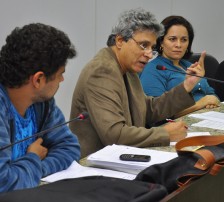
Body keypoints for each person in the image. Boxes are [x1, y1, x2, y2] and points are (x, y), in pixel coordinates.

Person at [70, 8, 205, 158]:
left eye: (152, 48)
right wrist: (165, 134)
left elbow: (148, 109)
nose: (148, 54)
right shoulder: (102, 71)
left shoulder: (128, 69)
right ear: (120, 41)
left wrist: (186, 86)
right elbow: (114, 135)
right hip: (94, 164)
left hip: (122, 157)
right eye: (143, 45)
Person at [0, 23, 80, 192]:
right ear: (38, 80)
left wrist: (34, 170)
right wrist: (34, 157)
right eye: (60, 74)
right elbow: (4, 183)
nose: (62, 80)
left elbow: (69, 147)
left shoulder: (42, 103)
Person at [139, 16, 219, 117]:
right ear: (161, 42)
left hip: (210, 118)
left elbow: (212, 94)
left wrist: (212, 100)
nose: (178, 45)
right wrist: (200, 104)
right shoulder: (152, 70)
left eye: (184, 40)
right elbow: (155, 114)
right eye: (172, 39)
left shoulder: (191, 66)